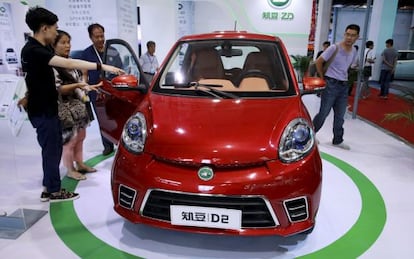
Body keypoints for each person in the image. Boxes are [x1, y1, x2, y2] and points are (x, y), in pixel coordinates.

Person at [21, 7, 123, 202]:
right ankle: (54, 191)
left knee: (51, 149)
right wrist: (103, 66)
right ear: (44, 28)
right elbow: (69, 64)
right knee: (53, 150)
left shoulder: (30, 49)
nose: (55, 32)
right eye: (54, 29)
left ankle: (50, 186)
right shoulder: (35, 50)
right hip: (44, 110)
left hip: (42, 108)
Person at [53, 30, 100, 181]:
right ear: (54, 45)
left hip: (79, 107)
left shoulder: (71, 62)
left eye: (69, 42)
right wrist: (78, 85)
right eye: (63, 42)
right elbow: (59, 89)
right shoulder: (53, 65)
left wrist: (85, 86)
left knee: (81, 136)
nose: (67, 46)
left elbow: (80, 81)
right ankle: (70, 169)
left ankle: (80, 163)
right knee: (69, 141)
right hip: (65, 110)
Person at [312, 24, 360, 150]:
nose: (349, 37)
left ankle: (337, 140)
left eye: (353, 35)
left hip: (343, 86)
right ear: (344, 34)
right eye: (348, 34)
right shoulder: (334, 48)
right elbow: (318, 62)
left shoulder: (354, 50)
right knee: (323, 113)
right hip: (330, 84)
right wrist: (323, 79)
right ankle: (310, 136)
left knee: (340, 116)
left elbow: (348, 66)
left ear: (357, 37)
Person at [81, 23, 122, 156]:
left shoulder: (113, 51)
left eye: (102, 36)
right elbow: (84, 73)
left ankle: (120, 142)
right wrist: (85, 89)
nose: (100, 39)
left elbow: (121, 71)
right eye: (96, 37)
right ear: (90, 37)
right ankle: (107, 145)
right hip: (97, 92)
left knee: (117, 117)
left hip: (114, 91)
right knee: (102, 119)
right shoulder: (86, 53)